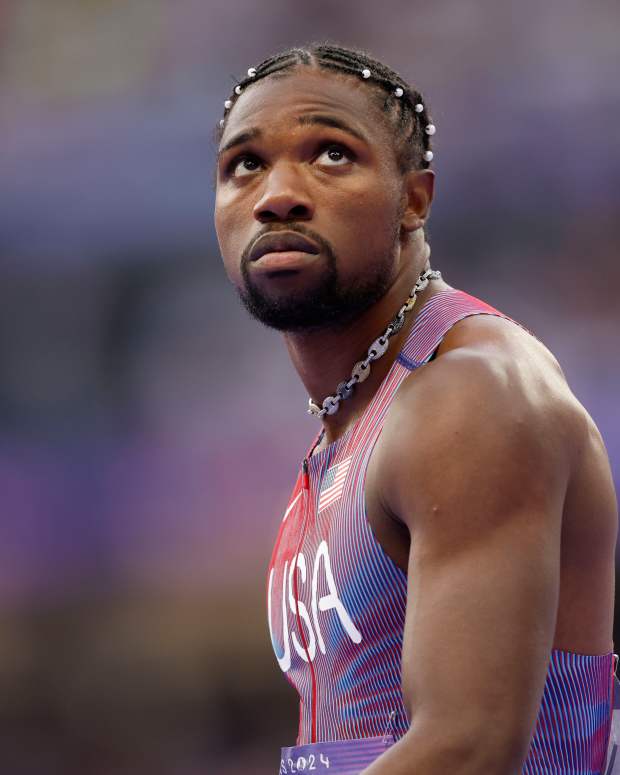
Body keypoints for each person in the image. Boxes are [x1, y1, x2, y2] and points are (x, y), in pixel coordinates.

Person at [213, 43, 618, 775]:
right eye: (245, 163)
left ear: (414, 199)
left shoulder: (471, 394)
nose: (277, 194)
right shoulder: (351, 424)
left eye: (331, 154)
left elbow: (468, 748)